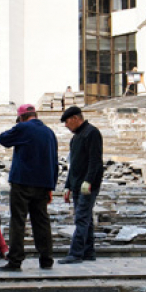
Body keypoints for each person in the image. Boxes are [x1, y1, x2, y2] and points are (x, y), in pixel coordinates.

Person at [0, 104, 59, 271]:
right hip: (43, 183)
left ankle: (15, 260)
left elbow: (3, 139)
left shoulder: (23, 128)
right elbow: (55, 161)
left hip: (22, 181)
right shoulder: (49, 132)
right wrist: (50, 187)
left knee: (18, 221)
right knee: (41, 221)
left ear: (21, 117)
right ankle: (46, 259)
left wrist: (17, 125)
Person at [59, 106, 103, 264]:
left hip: (87, 184)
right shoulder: (76, 137)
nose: (66, 125)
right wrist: (68, 186)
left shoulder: (91, 133)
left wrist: (89, 181)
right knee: (86, 218)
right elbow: (73, 165)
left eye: (67, 122)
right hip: (78, 183)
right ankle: (88, 251)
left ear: (76, 119)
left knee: (82, 218)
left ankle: (76, 253)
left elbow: (95, 161)